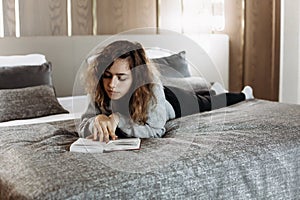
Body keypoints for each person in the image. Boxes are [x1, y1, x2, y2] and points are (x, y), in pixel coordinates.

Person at [79, 40, 254, 142]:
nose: (111, 84)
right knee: (203, 96)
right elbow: (82, 124)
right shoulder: (100, 89)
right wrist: (97, 120)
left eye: (121, 77)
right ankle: (212, 90)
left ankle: (244, 93)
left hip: (172, 101)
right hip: (164, 95)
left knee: (207, 103)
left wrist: (117, 119)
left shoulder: (151, 88)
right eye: (107, 76)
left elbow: (156, 130)